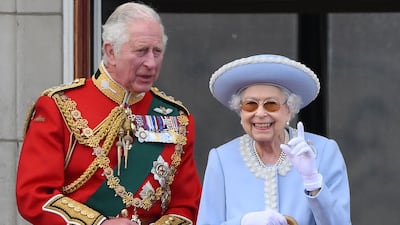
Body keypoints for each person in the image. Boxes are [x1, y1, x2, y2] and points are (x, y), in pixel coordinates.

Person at [16, 2, 201, 225]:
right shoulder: (60, 106)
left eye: (157, 52)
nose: (151, 63)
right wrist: (99, 223)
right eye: (141, 51)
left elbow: (187, 205)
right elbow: (35, 195)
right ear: (110, 51)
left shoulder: (176, 118)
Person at [197, 54, 352, 225]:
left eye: (271, 104)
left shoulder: (324, 152)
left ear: (289, 110)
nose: (261, 113)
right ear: (240, 112)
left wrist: (313, 183)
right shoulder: (222, 159)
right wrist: (243, 222)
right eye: (250, 105)